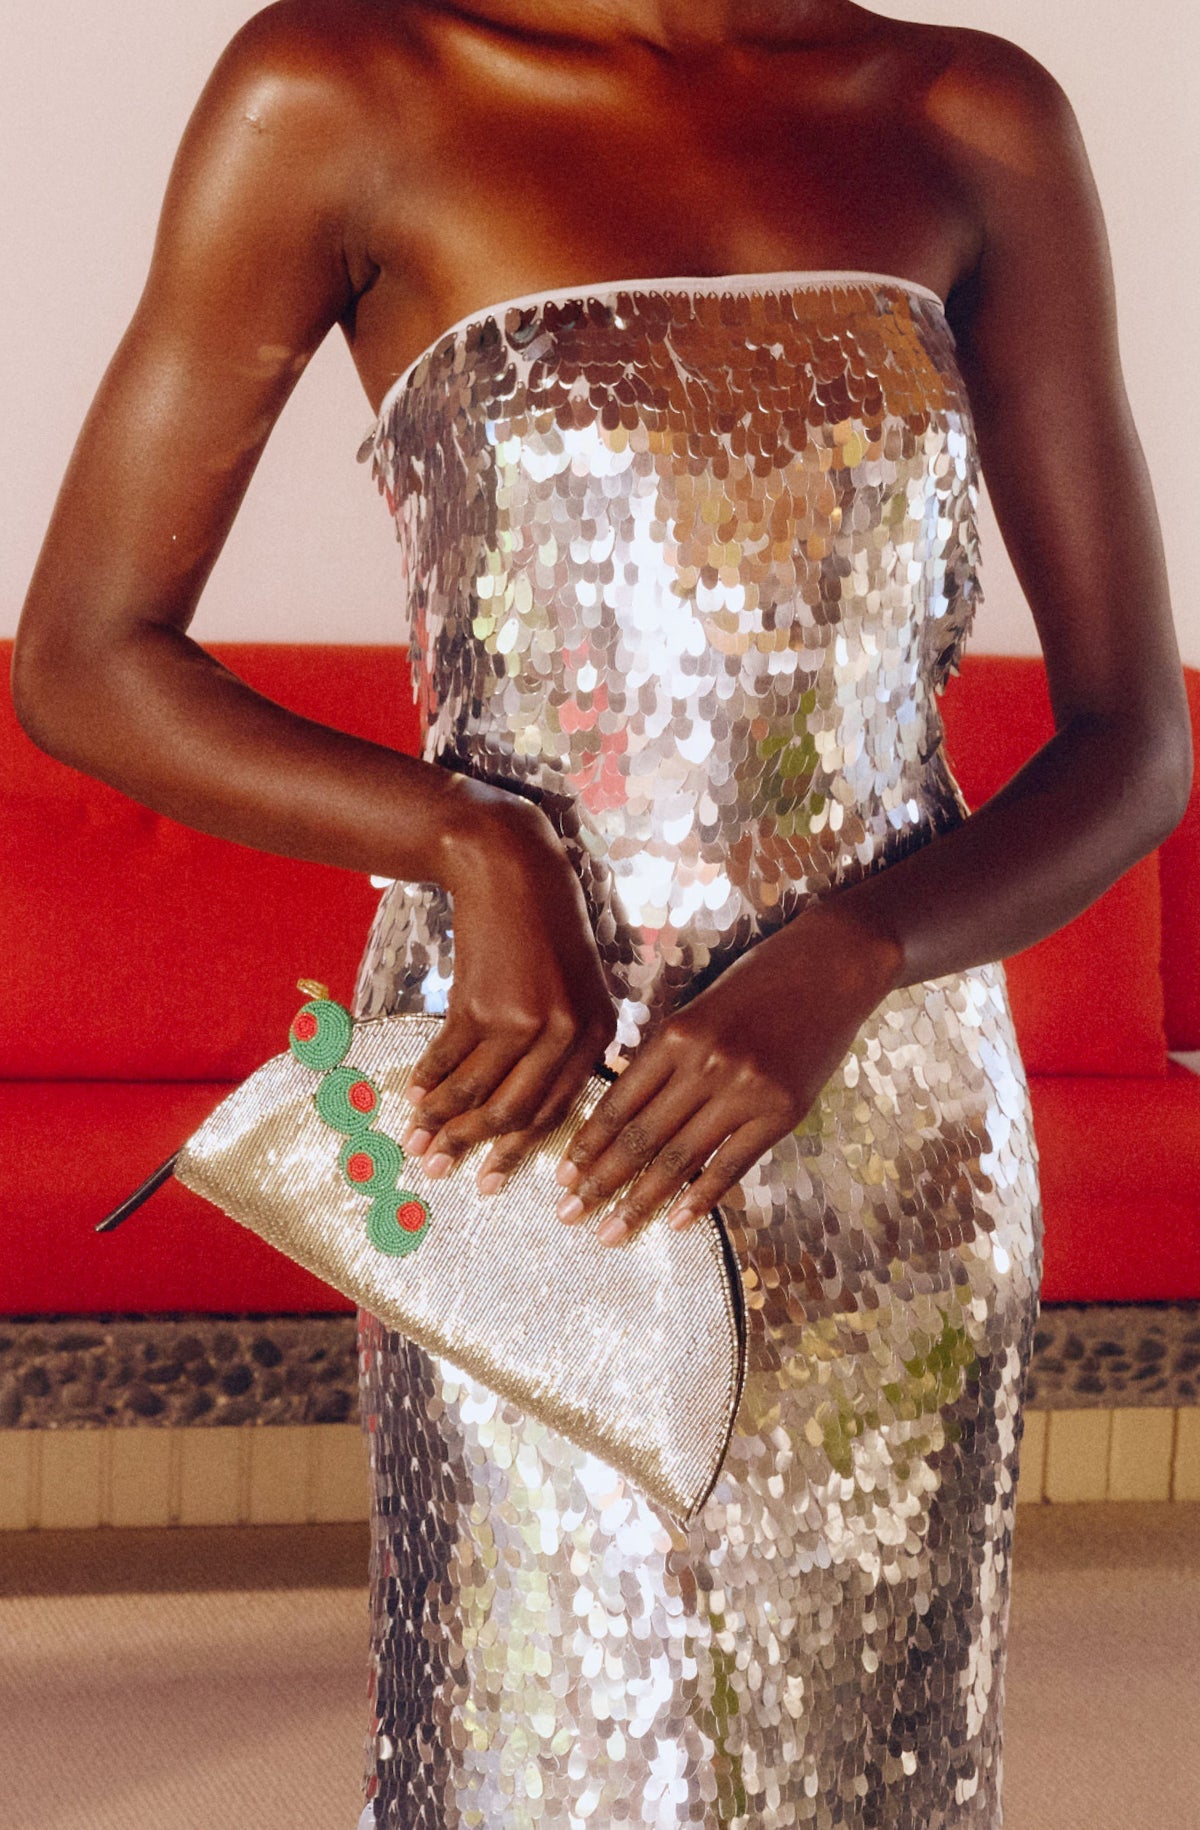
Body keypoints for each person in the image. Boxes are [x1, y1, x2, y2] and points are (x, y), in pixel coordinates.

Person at [13, 1, 1190, 1823]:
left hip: (894, 1134)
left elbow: (1133, 744)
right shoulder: (342, 89)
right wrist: (469, 838)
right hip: (531, 1118)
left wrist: (853, 956)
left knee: (864, 1763)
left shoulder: (971, 117)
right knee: (544, 1747)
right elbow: (87, 659)